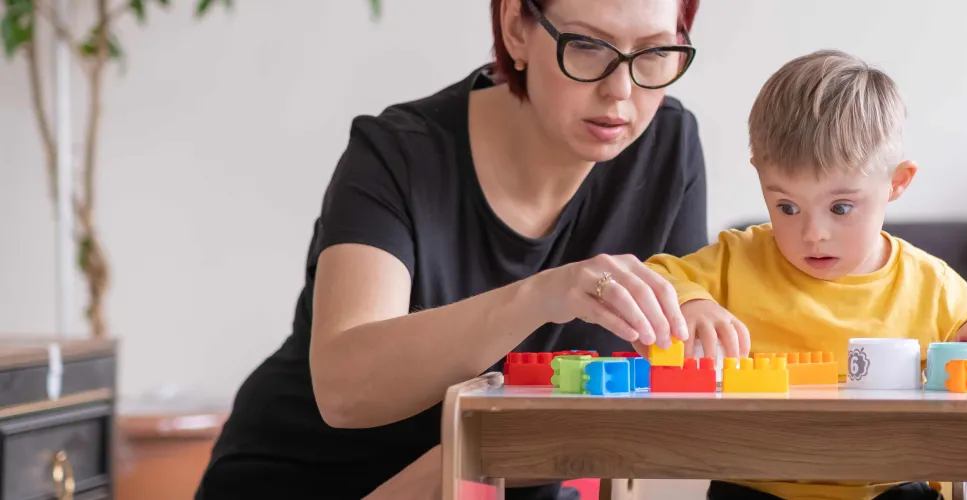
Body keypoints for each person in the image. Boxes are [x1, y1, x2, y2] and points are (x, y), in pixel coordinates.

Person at [195, 0, 714, 498]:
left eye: (654, 53)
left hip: (492, 483)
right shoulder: (398, 154)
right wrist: (540, 296)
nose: (620, 89)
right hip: (313, 478)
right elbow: (343, 389)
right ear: (516, 27)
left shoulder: (668, 147)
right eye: (587, 46)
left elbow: (660, 383)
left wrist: (463, 462)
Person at [643, 49, 967, 500]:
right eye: (787, 207)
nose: (813, 234)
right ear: (762, 180)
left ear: (897, 183)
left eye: (841, 207)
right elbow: (656, 277)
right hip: (757, 486)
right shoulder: (736, 259)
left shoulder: (931, 283)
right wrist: (692, 301)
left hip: (890, 486)